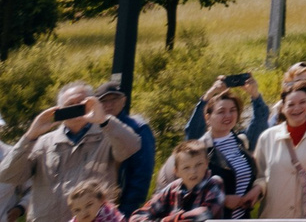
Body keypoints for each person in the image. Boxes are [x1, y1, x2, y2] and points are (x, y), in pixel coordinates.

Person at [2, 86, 144, 222]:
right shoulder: (43, 143)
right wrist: (30, 135)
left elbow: (132, 147)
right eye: (70, 105)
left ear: (92, 105)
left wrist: (103, 120)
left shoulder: (107, 136)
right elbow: (8, 175)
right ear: (59, 109)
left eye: (81, 104)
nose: (75, 108)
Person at [252, 83, 306, 218]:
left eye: (302, 102)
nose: (297, 108)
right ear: (283, 107)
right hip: (274, 215)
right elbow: (260, 177)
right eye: (291, 104)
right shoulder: (267, 137)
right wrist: (257, 189)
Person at [92, 78, 153, 215]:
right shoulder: (93, 128)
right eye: (103, 101)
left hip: (123, 206)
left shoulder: (138, 127)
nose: (109, 104)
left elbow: (142, 172)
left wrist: (127, 209)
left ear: (124, 100)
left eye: (114, 99)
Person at [195, 91, 255, 217]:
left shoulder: (242, 141)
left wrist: (257, 190)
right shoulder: (200, 149)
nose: (228, 115)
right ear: (207, 117)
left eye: (232, 110)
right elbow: (189, 190)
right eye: (221, 111)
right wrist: (223, 199)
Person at [135, 142, 225, 222]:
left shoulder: (214, 183)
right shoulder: (172, 188)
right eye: (186, 168)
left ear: (206, 164)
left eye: (198, 165)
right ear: (176, 171)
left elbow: (204, 214)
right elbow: (138, 216)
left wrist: (165, 220)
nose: (193, 171)